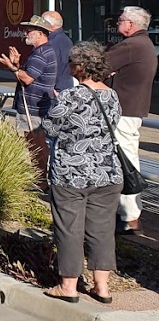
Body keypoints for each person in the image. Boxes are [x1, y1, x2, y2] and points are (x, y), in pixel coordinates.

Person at [39, 42, 122, 303]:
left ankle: (69, 286)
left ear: (81, 67)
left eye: (72, 62)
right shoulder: (112, 95)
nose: (69, 66)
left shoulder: (70, 96)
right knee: (102, 230)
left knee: (69, 229)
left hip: (71, 173)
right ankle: (102, 287)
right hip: (108, 173)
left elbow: (50, 128)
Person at [105, 5, 158, 234]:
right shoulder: (145, 45)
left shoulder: (131, 46)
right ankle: (129, 212)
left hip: (123, 111)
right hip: (132, 109)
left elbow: (96, 65)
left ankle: (129, 216)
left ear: (131, 25)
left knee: (124, 161)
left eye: (121, 19)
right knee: (126, 158)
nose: (118, 22)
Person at [0, 15, 57, 128]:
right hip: (35, 107)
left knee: (32, 142)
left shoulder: (41, 54)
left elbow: (27, 79)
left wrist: (11, 66)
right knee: (33, 141)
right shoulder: (42, 51)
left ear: (40, 34)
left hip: (34, 110)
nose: (25, 33)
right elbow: (27, 74)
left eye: (29, 31)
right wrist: (16, 64)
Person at [41, 9, 74, 91]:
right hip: (65, 86)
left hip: (55, 89)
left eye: (41, 22)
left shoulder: (51, 43)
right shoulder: (66, 40)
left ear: (49, 25)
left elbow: (51, 68)